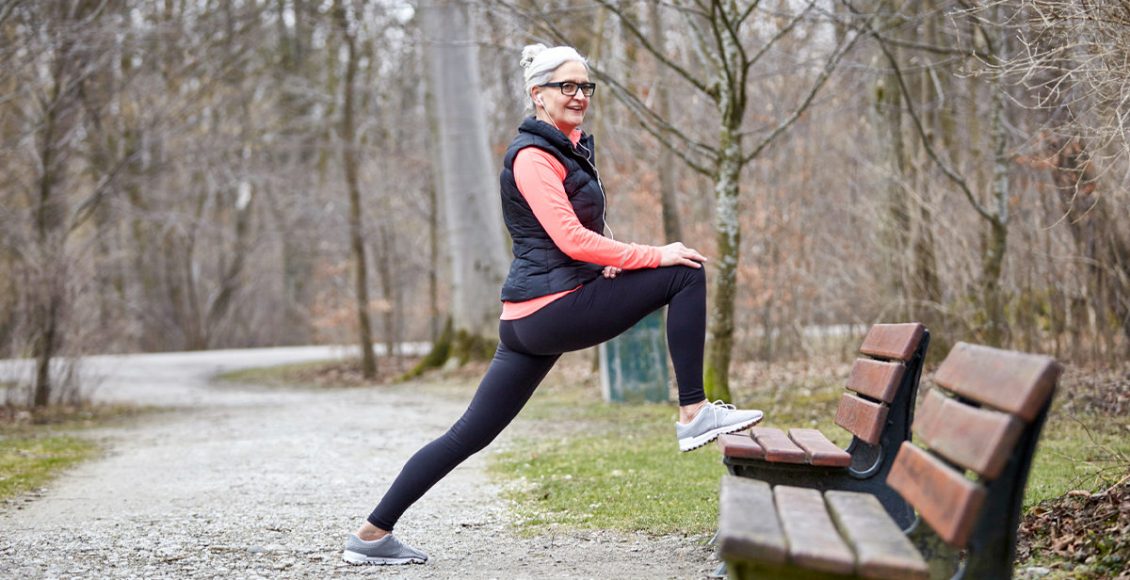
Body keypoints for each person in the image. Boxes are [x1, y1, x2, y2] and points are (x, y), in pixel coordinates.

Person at [341, 43, 764, 566]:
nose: (579, 95)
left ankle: (371, 534)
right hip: (548, 309)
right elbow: (569, 239)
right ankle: (694, 411)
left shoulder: (568, 150)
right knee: (682, 271)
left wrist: (608, 264)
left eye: (586, 86)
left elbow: (571, 242)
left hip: (532, 316)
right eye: (567, 86)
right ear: (538, 95)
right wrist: (649, 254)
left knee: (468, 433)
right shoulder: (534, 157)